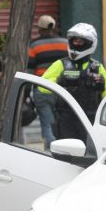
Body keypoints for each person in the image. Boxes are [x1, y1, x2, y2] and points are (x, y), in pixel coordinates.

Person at [42, 22, 106, 142]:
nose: (76, 44)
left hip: (89, 120)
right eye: (74, 41)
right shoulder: (61, 64)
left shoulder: (97, 67)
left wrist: (102, 85)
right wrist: (60, 81)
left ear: (90, 43)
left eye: (80, 42)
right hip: (66, 118)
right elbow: (41, 86)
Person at [27, 15, 68, 150]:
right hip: (62, 89)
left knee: (47, 122)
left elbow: (30, 71)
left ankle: (50, 150)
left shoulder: (34, 45)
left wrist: (26, 92)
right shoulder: (65, 43)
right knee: (63, 120)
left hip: (42, 89)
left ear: (40, 29)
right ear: (53, 27)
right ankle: (63, 148)